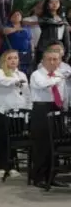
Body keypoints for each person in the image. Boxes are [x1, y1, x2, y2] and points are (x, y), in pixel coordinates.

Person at [29, 49, 68, 188]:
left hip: (56, 107)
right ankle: (38, 177)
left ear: (60, 61)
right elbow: (43, 84)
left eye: (55, 59)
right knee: (42, 144)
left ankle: (51, 176)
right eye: (49, 59)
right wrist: (57, 79)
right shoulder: (37, 74)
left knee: (55, 143)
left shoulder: (59, 74)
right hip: (41, 109)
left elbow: (63, 93)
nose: (52, 62)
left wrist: (64, 107)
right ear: (43, 61)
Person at [0, 50, 31, 179]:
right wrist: (16, 82)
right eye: (10, 58)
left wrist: (28, 108)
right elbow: (1, 81)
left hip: (18, 113)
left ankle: (12, 166)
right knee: (1, 140)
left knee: (13, 141)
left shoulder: (22, 74)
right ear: (4, 60)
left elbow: (26, 93)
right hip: (2, 111)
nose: (13, 60)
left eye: (15, 58)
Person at [2, 9, 33, 74]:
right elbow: (5, 31)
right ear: (10, 18)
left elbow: (30, 40)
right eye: (14, 15)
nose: (16, 16)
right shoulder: (7, 26)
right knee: (10, 71)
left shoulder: (26, 27)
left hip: (25, 53)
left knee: (23, 72)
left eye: (18, 15)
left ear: (21, 17)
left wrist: (32, 51)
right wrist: (18, 29)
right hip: (11, 53)